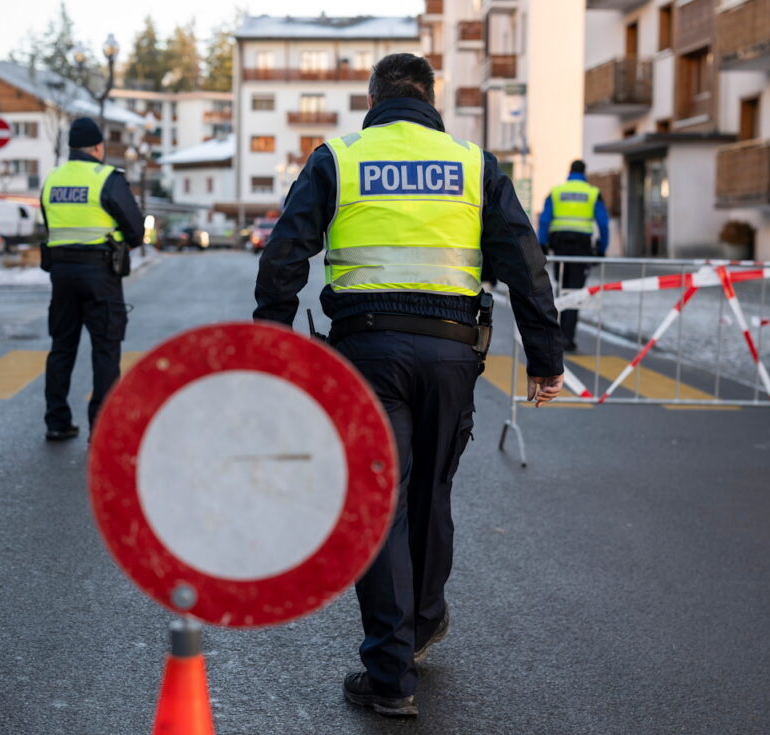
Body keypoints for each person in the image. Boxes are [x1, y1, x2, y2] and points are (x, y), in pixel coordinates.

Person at [253, 53, 565, 718]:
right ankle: (419, 625)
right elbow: (523, 259)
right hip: (453, 352)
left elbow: (285, 252)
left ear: (374, 96)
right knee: (431, 489)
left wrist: (273, 339)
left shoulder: (339, 157)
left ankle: (391, 674)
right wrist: (545, 356)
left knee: (379, 499)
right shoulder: (473, 163)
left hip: (367, 349)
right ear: (431, 96)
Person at [39, 117, 143, 442]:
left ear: (71, 147)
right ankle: (101, 428)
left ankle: (57, 421)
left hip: (61, 274)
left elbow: (49, 223)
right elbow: (136, 230)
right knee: (106, 349)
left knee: (62, 346)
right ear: (98, 147)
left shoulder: (52, 178)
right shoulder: (106, 178)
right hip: (100, 273)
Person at [537, 160, 611, 352]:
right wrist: (602, 249)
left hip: (559, 246)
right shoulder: (592, 193)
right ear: (584, 173)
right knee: (576, 292)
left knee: (561, 289)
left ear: (569, 172)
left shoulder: (556, 192)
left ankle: (555, 336)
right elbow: (603, 223)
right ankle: (567, 338)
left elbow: (544, 220)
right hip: (581, 248)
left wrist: (542, 245)